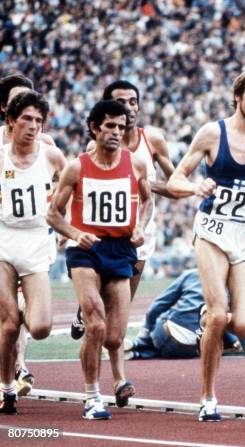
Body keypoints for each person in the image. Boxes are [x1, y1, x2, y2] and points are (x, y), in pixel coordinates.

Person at [167, 65, 245, 422]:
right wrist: (194, 187)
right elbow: (174, 180)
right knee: (219, 313)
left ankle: (209, 321)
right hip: (213, 231)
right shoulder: (212, 134)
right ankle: (208, 397)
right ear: (237, 96)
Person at [70, 79, 176, 407]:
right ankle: (112, 383)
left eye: (132, 102)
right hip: (92, 242)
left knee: (115, 328)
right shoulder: (88, 157)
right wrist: (74, 232)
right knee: (98, 321)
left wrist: (142, 197)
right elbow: (68, 201)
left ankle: (91, 322)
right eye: (119, 103)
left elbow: (171, 185)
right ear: (100, 121)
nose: (127, 109)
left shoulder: (150, 142)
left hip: (133, 239)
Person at [46, 100, 152, 420]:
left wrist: (141, 226)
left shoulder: (135, 164)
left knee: (115, 336)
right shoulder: (77, 167)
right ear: (94, 127)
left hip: (121, 249)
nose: (116, 133)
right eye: (109, 126)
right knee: (95, 325)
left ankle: (107, 378)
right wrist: (76, 233)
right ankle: (92, 396)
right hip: (86, 251)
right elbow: (53, 214)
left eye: (121, 127)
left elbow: (147, 202)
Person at [0, 91, 66, 414]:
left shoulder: (51, 157)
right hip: (3, 239)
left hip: (37, 240)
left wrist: (68, 225)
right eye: (26, 118)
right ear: (11, 121)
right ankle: (6, 388)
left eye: (38, 120)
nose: (33, 126)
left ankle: (24, 305)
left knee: (40, 327)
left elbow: (75, 187)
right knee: (9, 324)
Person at [123, 269, 245, 359]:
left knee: (164, 319)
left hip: (167, 333)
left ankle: (140, 345)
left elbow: (157, 306)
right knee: (218, 323)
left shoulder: (191, 275)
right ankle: (140, 352)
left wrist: (145, 333)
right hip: (192, 347)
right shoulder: (236, 283)